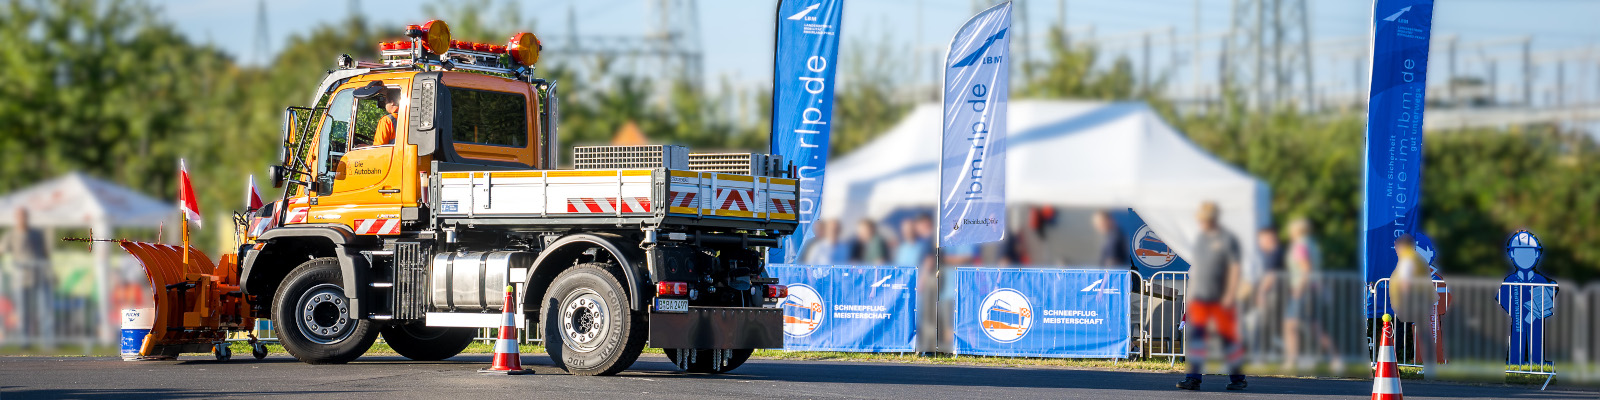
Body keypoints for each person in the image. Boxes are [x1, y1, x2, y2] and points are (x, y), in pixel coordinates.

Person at [1176, 201, 1247, 391]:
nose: (1202, 223)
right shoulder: (1201, 240)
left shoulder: (1228, 239)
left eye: (1204, 219)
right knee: (1197, 339)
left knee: (1228, 339)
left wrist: (1230, 295)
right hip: (1201, 298)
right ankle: (1193, 378)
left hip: (1221, 297)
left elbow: (1234, 269)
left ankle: (1238, 379)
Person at [1281, 218, 1340, 373]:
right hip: (1313, 290)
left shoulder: (1299, 246)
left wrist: (1298, 290)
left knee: (1290, 326)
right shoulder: (1312, 245)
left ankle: (1291, 361)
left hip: (1303, 290)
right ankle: (1335, 358)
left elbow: (1306, 269)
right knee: (1315, 327)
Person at [2, 208, 55, 349]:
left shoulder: (37, 234)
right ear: (16, 218)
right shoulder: (11, 235)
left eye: (24, 216)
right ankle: (24, 342)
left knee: (45, 310)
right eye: (19, 216)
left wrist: (51, 273)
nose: (22, 219)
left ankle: (47, 343)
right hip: (20, 279)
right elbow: (2, 249)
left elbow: (45, 255)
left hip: (40, 276)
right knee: (23, 312)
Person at [1390, 234, 1434, 379]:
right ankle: (1429, 369)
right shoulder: (1418, 258)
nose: (1396, 250)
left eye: (1397, 247)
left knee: (1397, 335)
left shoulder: (1407, 260)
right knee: (1423, 334)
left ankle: (1390, 366)